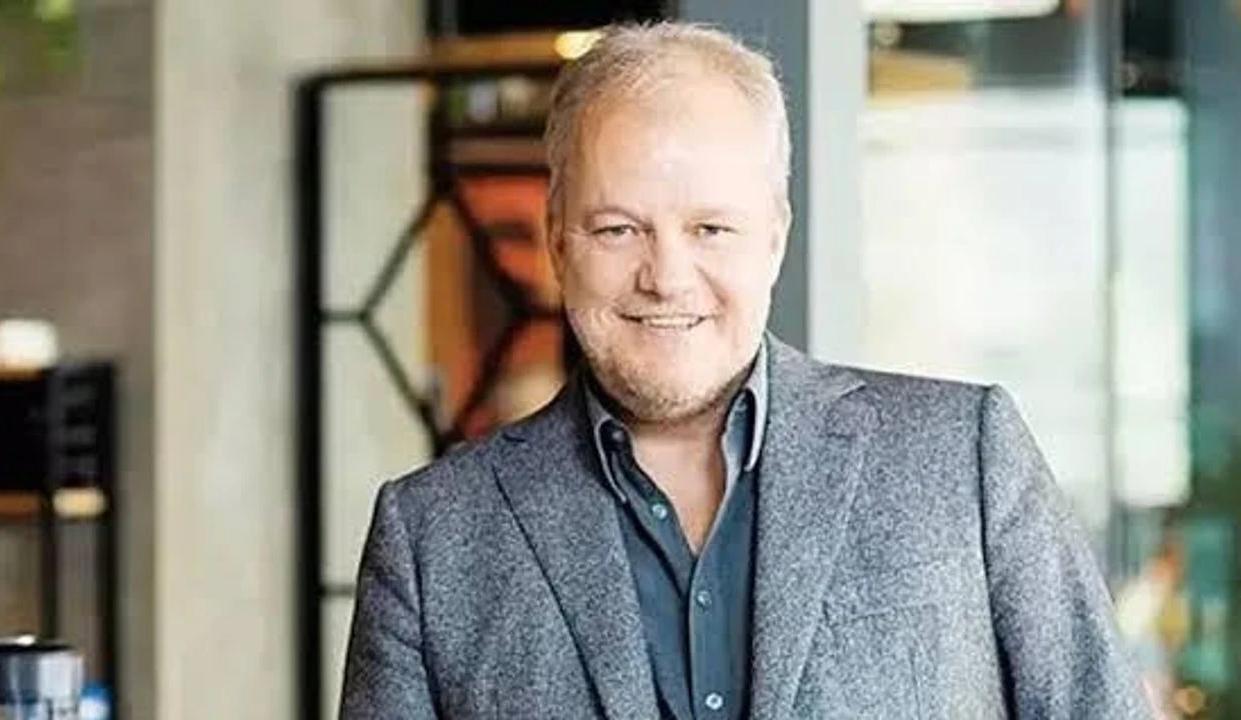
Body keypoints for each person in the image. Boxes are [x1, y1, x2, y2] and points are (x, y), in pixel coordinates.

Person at [340, 22, 1152, 720]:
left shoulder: (963, 461)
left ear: (774, 236)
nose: (667, 277)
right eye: (619, 229)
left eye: (711, 229)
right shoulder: (432, 540)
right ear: (558, 241)